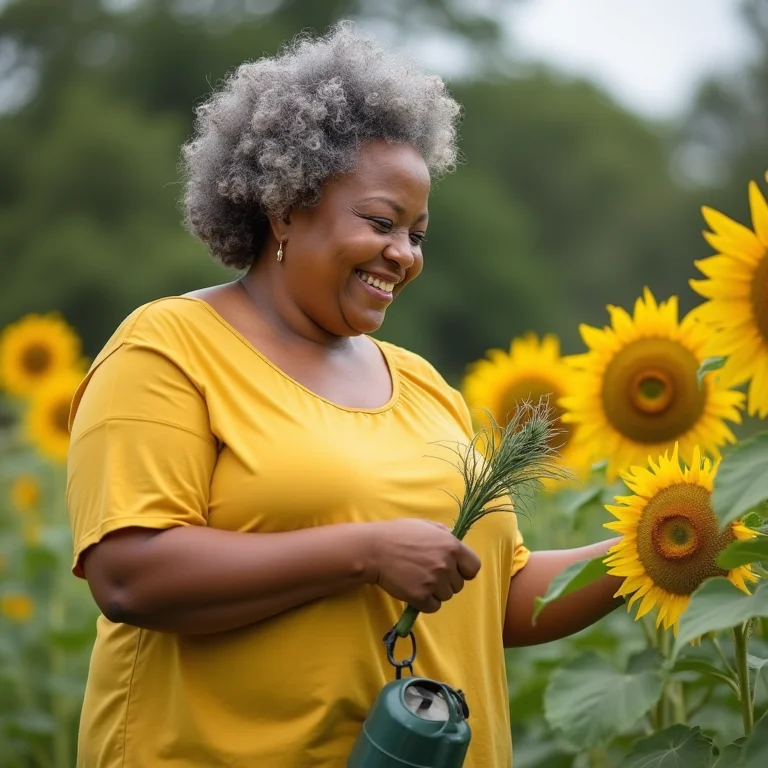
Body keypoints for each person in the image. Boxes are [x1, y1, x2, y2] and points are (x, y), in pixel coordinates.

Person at [66, 22, 622, 768]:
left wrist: (655, 547)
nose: (403, 255)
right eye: (382, 223)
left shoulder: (423, 386)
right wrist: (365, 552)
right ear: (285, 207)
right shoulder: (169, 348)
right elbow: (129, 576)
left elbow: (499, 595)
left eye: (418, 234)